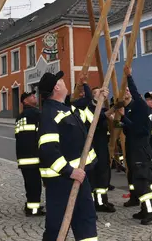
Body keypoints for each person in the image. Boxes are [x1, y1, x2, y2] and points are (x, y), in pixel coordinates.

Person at [37, 71, 98, 241]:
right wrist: (69, 171)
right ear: (56, 87)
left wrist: (95, 101)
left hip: (80, 176)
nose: (65, 83)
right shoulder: (49, 115)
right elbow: (48, 150)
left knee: (86, 220)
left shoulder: (66, 108)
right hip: (61, 182)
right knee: (56, 228)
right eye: (62, 81)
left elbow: (87, 119)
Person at [117, 65, 152, 225]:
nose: (128, 94)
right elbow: (129, 130)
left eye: (130, 93)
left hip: (141, 151)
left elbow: (135, 129)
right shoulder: (132, 110)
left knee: (142, 182)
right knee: (138, 181)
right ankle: (144, 208)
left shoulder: (141, 107)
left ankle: (151, 210)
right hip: (135, 150)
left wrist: (129, 77)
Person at [73, 78, 116, 213]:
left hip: (102, 144)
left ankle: (102, 201)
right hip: (92, 145)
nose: (100, 94)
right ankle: (92, 203)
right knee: (93, 175)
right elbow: (95, 119)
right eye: (97, 92)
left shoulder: (101, 107)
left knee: (103, 174)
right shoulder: (86, 108)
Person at [15, 91, 45, 216]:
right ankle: (33, 209)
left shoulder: (20, 117)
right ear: (25, 101)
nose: (35, 97)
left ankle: (30, 205)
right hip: (33, 156)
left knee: (30, 183)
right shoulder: (36, 114)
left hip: (23, 157)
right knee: (35, 184)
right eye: (31, 96)